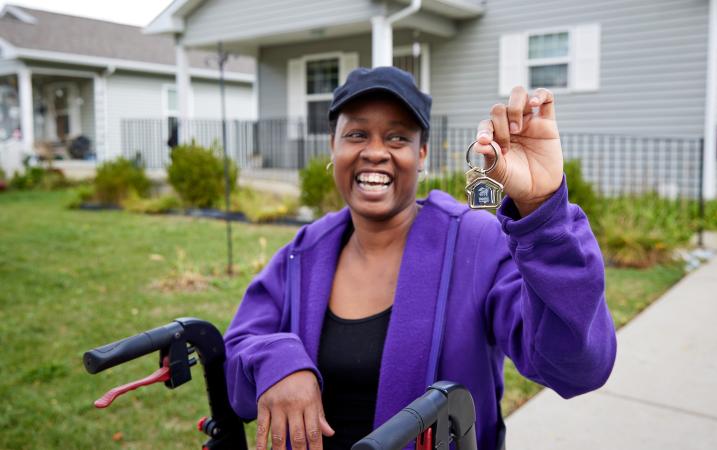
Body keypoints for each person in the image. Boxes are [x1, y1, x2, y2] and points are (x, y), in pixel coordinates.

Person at [223, 66, 616, 450]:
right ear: (333, 146)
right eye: (357, 134)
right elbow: (237, 351)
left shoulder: (476, 245)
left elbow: (577, 367)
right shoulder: (305, 251)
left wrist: (541, 207)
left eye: (397, 138)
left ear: (422, 153)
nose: (375, 152)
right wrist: (276, 361)